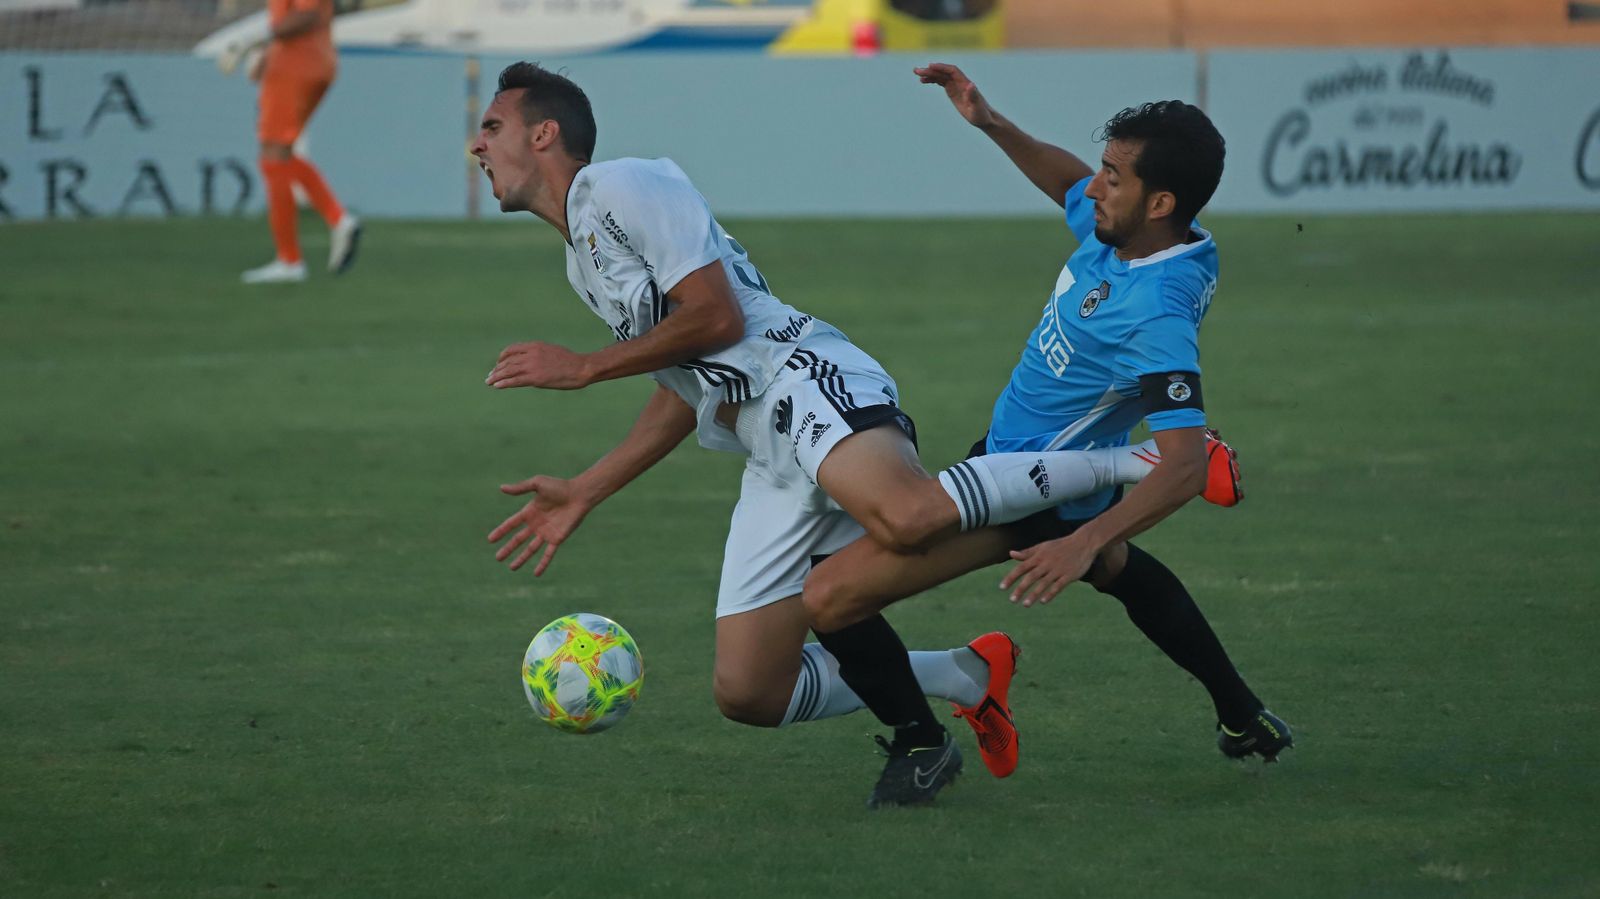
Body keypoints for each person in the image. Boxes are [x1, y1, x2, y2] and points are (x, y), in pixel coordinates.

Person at [472, 62, 1241, 808]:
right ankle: (964, 675)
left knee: (908, 517)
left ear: (544, 136)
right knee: (748, 690)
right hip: (768, 452)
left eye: (492, 126)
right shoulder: (585, 261)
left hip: (804, 379)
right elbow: (685, 387)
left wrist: (584, 368)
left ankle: (1143, 461)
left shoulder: (622, 185)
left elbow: (720, 318)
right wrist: (586, 487)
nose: (477, 145)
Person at [797, 62, 1292, 797]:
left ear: (1160, 201)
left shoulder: (1156, 308)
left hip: (1032, 493)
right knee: (1126, 575)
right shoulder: (1125, 236)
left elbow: (1186, 467)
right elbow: (1063, 182)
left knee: (830, 595)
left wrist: (1079, 539)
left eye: (1113, 177)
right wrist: (992, 122)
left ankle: (922, 744)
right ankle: (1243, 712)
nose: (1093, 186)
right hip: (1033, 463)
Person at [234, 0, 361, 284]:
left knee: (272, 152)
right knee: (279, 154)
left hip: (297, 63)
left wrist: (255, 41)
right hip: (303, 60)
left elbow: (309, 14)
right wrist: (268, 52)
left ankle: (290, 259)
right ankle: (338, 220)